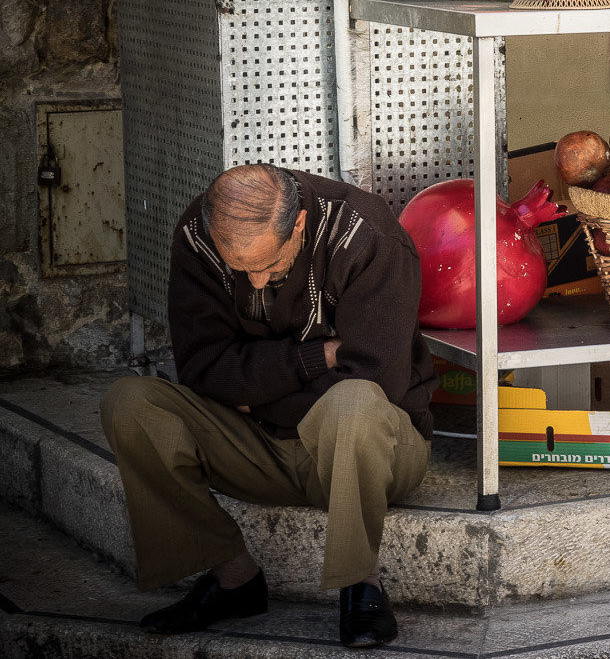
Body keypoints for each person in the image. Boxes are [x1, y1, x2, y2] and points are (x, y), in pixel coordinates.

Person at [100, 164, 438, 648]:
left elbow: (375, 379)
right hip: (262, 447)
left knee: (354, 404)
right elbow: (204, 368)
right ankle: (233, 577)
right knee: (130, 404)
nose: (256, 284)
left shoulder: (368, 236)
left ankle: (361, 582)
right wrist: (316, 356)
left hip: (375, 449)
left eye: (270, 266)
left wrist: (254, 397)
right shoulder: (198, 236)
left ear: (298, 224)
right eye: (241, 271)